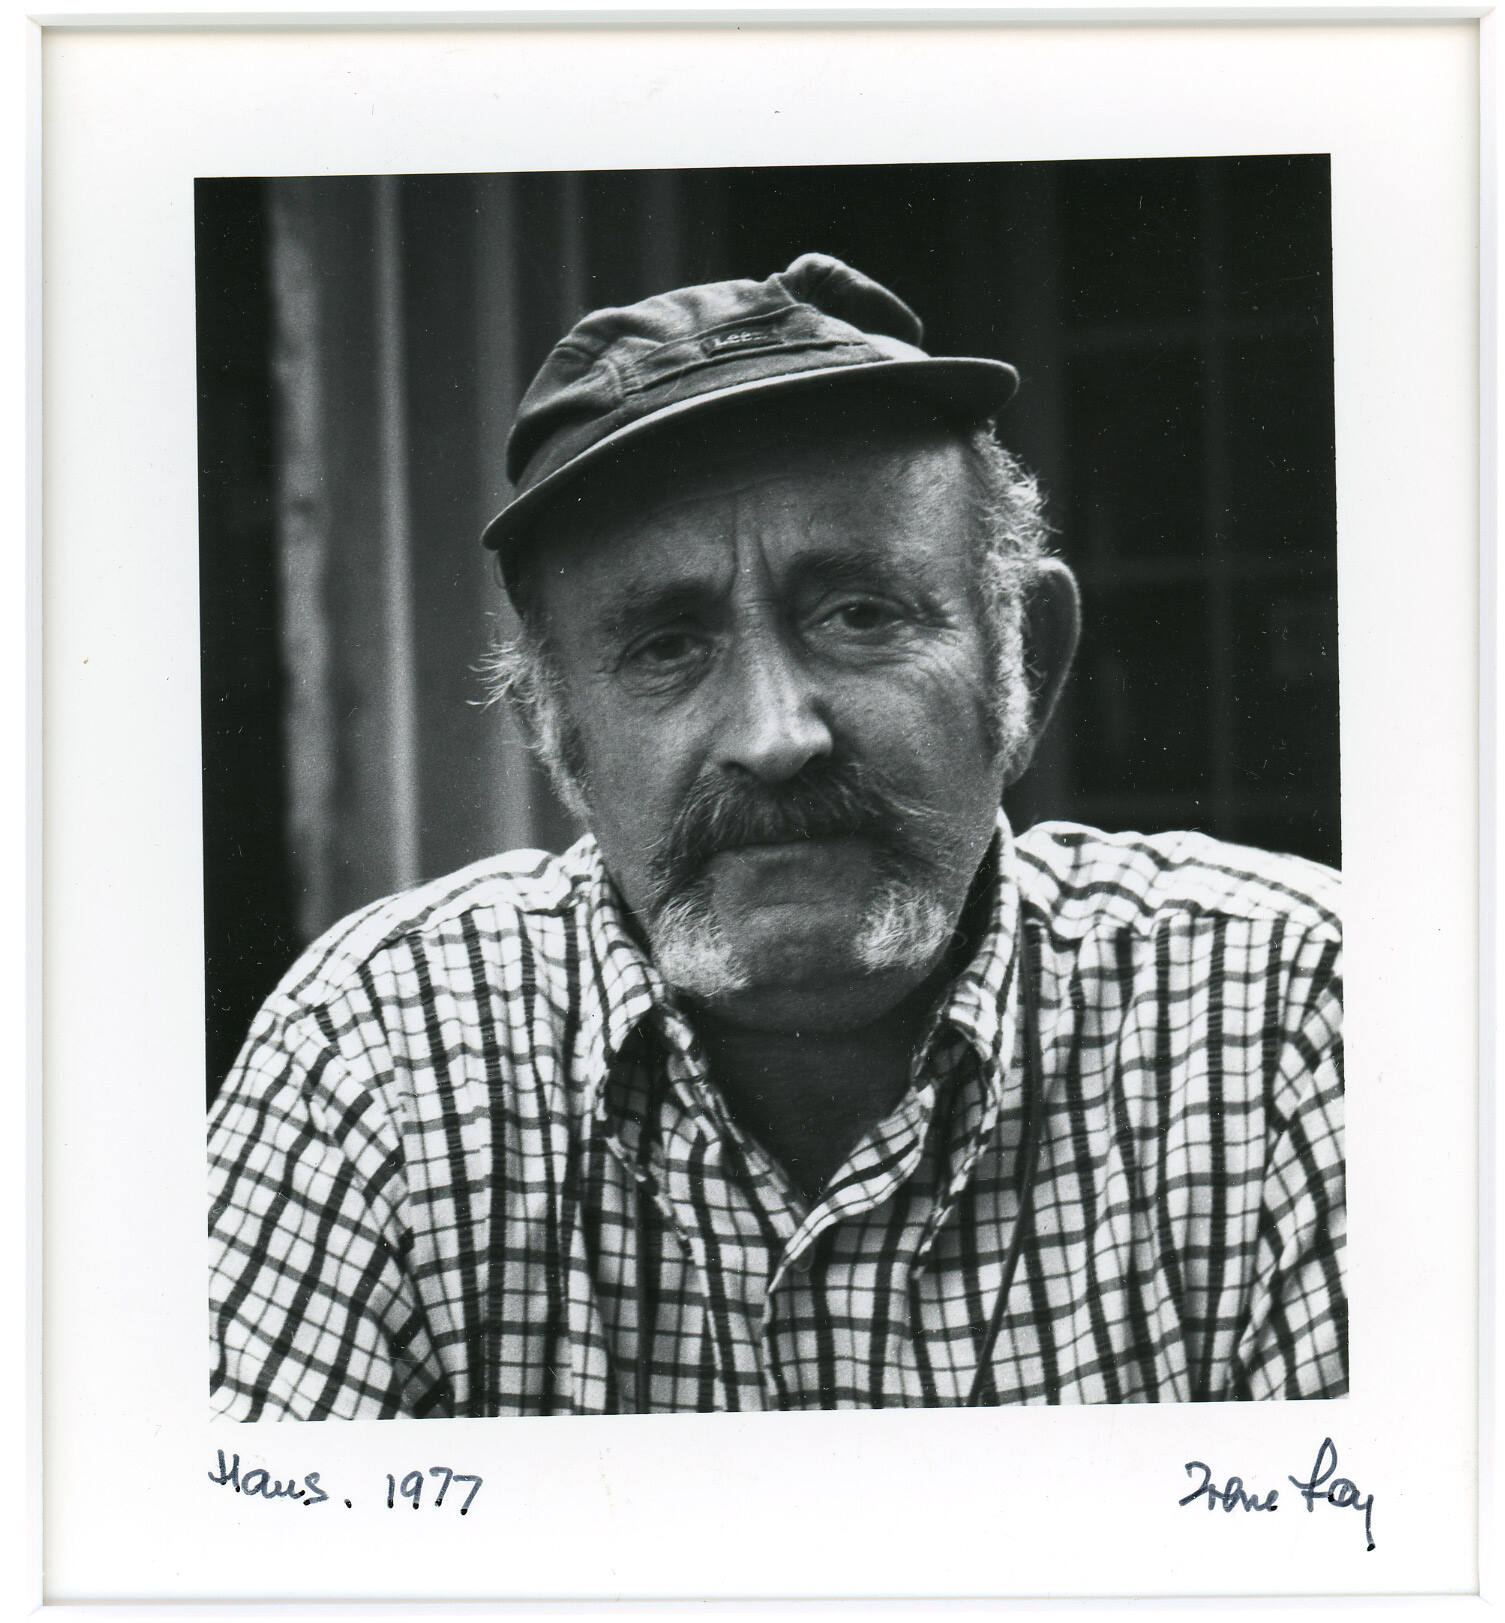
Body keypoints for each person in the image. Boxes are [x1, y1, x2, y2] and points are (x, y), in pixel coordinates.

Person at [208, 253, 1344, 1419]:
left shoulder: (1289, 1015)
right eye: (666, 646)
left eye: (858, 614)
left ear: (1023, 666)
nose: (775, 737)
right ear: (561, 740)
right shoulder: (379, 1059)